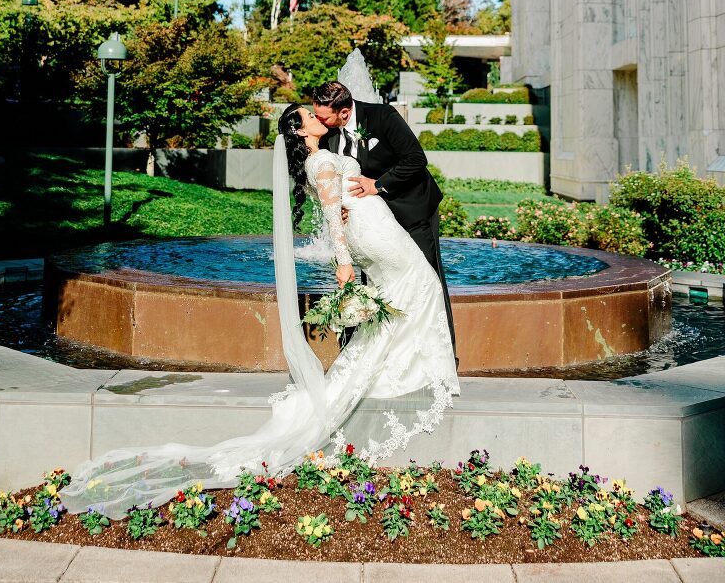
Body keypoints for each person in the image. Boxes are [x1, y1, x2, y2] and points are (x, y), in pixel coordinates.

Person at [59, 103, 458, 519]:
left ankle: (401, 365)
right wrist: (342, 260)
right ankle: (411, 368)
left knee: (411, 288)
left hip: (376, 226)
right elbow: (330, 216)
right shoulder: (320, 161)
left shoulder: (324, 155)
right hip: (371, 234)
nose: (318, 118)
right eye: (309, 116)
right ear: (301, 132)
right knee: (422, 284)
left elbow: (339, 202)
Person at [312, 80, 456, 355]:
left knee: (427, 279)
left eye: (323, 116)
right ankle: (382, 352)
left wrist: (378, 184)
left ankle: (444, 353)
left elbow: (416, 159)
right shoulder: (328, 135)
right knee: (377, 283)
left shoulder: (383, 116)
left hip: (411, 211)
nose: (319, 121)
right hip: (371, 225)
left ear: (343, 112)